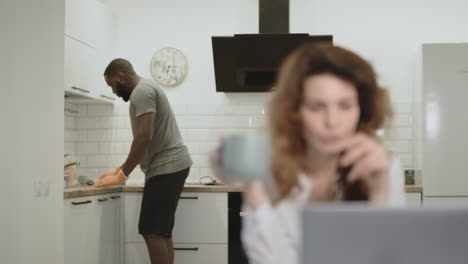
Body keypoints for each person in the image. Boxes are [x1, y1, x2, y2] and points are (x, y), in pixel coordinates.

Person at [210, 44, 405, 264]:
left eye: (345, 105)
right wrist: (253, 190)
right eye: (316, 107)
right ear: (295, 112)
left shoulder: (383, 168)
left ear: (362, 110)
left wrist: (380, 192)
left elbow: (388, 257)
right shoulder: (270, 172)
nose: (332, 122)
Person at [93, 58, 193, 264]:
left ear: (121, 77)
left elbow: (144, 137)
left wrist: (123, 174)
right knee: (161, 232)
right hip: (172, 166)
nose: (113, 91)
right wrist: (119, 169)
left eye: (112, 85)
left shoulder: (141, 92)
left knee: (152, 231)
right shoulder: (146, 88)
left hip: (167, 166)